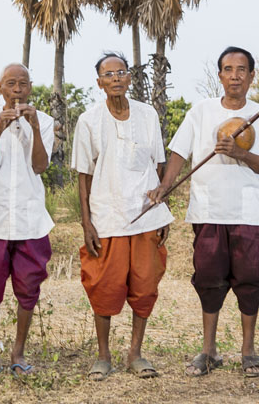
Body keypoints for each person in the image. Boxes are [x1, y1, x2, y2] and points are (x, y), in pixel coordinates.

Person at [149, 46, 259, 378]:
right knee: (209, 279)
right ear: (219, 75)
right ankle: (208, 351)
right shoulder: (201, 111)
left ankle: (248, 351)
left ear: (252, 76)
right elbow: (178, 153)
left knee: (250, 279)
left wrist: (240, 153)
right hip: (208, 211)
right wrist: (165, 186)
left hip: (249, 213)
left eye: (241, 69)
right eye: (228, 69)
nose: (234, 75)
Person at [72, 53, 172, 381]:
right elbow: (83, 176)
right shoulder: (88, 120)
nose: (115, 78)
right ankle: (103, 356)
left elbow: (157, 165)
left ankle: (136, 354)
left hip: (145, 217)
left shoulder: (147, 115)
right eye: (108, 74)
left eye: (121, 72)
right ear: (99, 82)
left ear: (130, 78)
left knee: (144, 288)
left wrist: (162, 212)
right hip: (106, 217)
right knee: (104, 286)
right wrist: (87, 223)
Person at [0, 63, 53, 376]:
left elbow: (41, 166)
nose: (17, 90)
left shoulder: (43, 121)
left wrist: (32, 128)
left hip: (31, 218)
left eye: (22, 84)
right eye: (11, 84)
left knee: (28, 286)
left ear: (30, 88)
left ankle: (18, 352)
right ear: (0, 87)